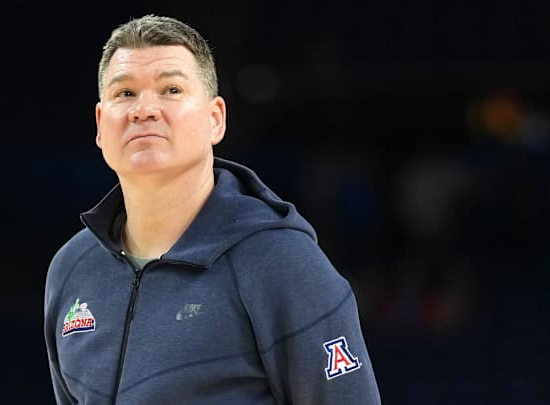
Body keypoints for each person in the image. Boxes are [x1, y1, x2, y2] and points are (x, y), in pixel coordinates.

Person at [44, 14, 381, 404]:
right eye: (125, 93)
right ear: (101, 125)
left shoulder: (280, 261)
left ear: (215, 119)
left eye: (171, 89)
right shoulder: (72, 269)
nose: (144, 109)